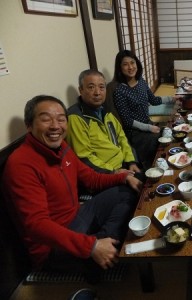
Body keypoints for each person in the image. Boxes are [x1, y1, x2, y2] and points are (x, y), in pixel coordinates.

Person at [2, 95, 143, 283]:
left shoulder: (62, 148)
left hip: (78, 217)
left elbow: (91, 179)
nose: (55, 126)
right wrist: (91, 246)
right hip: (51, 246)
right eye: (45, 119)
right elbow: (36, 225)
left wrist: (123, 176)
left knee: (127, 191)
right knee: (124, 238)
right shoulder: (21, 164)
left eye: (61, 119)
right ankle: (100, 252)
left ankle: (105, 245)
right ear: (29, 125)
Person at [66, 69, 142, 179]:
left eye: (101, 87)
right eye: (91, 87)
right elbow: (84, 158)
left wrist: (131, 162)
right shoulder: (75, 117)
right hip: (104, 175)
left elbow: (122, 138)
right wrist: (115, 173)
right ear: (81, 90)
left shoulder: (105, 111)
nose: (97, 92)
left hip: (123, 165)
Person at [112, 50, 179, 169]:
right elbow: (127, 121)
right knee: (157, 140)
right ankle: (150, 169)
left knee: (170, 131)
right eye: (125, 64)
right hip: (135, 132)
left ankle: (168, 164)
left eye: (132, 63)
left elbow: (153, 100)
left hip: (148, 124)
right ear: (119, 68)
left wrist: (172, 99)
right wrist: (149, 127)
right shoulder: (119, 91)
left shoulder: (141, 81)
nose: (130, 67)